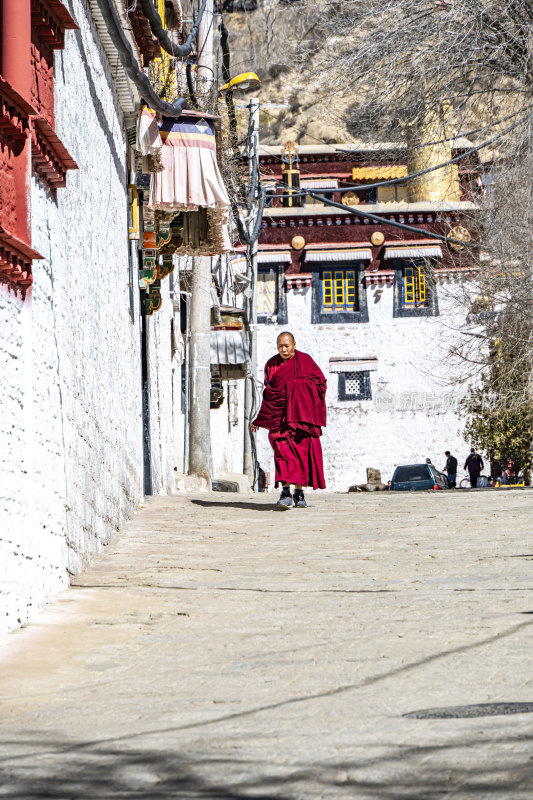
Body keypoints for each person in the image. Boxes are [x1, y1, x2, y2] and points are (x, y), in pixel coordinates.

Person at [250, 332, 326, 509]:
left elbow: (320, 384)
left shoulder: (305, 361)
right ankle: (285, 492)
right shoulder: (271, 364)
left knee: (300, 457)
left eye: (287, 346)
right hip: (279, 421)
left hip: (299, 420)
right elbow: (270, 394)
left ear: (294, 344)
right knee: (282, 455)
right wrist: (260, 419)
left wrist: (295, 387)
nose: (283, 349)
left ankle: (299, 494)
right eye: (280, 346)